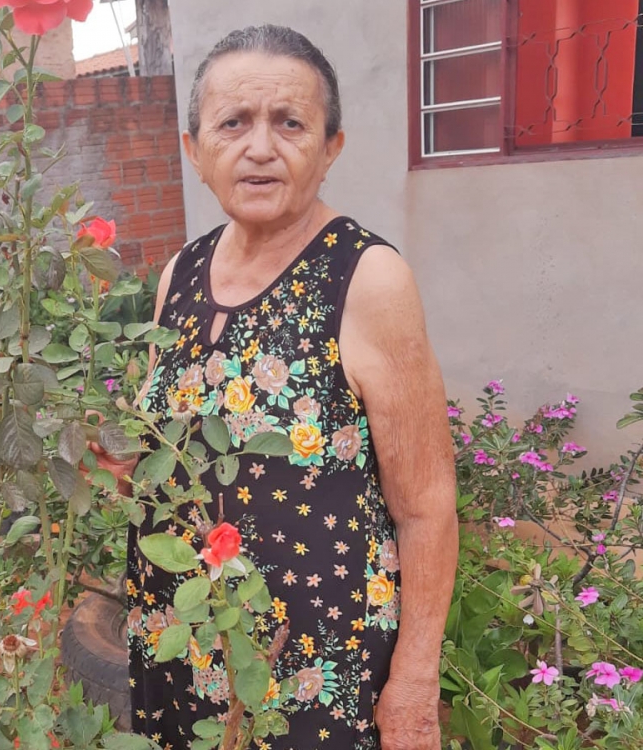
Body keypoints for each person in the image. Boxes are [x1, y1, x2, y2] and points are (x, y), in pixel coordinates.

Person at [92, 25, 458, 750]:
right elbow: (166, 444)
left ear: (331, 148)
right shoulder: (180, 275)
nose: (260, 147)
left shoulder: (366, 279)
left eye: (289, 123)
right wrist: (125, 468)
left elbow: (427, 505)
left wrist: (415, 680)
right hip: (182, 634)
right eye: (233, 123)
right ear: (195, 151)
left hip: (318, 658)